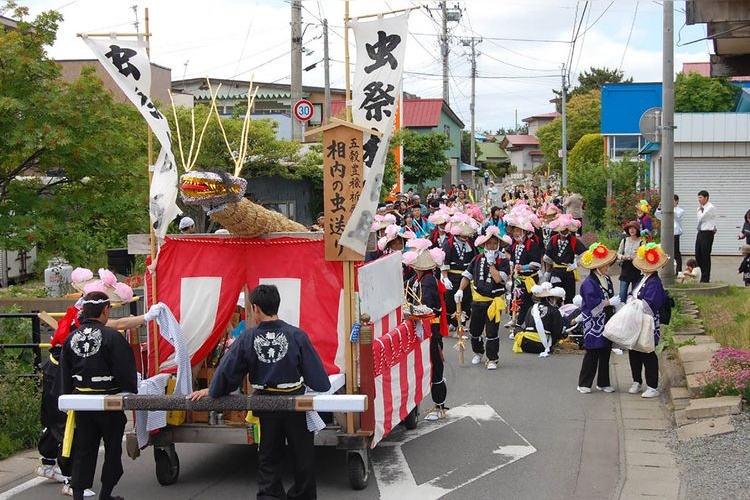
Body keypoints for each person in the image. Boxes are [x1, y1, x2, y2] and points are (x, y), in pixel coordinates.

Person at [189, 284, 330, 499]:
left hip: (265, 404)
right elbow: (320, 381)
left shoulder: (248, 338)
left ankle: (270, 496)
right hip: (295, 403)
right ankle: (303, 495)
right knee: (303, 456)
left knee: (268, 458)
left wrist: (214, 390)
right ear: (276, 305)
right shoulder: (296, 335)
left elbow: (229, 370)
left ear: (255, 308)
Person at [60, 291, 139, 500]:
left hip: (82, 405)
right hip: (108, 404)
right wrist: (130, 390)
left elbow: (65, 374)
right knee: (112, 450)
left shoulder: (71, 338)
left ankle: (78, 495)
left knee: (83, 450)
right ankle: (105, 495)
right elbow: (125, 371)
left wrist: (67, 397)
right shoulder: (112, 337)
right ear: (105, 310)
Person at [402, 239, 449, 420]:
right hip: (420, 326)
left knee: (435, 365)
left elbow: (430, 307)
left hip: (431, 329)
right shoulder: (415, 279)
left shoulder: (429, 281)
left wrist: (415, 312)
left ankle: (439, 406)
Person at [453, 227, 512, 370]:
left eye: (494, 243)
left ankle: (492, 359)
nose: (491, 246)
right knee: (475, 329)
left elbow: (498, 279)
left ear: (498, 245)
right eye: (489, 243)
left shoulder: (503, 261)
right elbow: (467, 275)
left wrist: (492, 264)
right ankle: (478, 352)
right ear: (484, 245)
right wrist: (460, 290)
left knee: (492, 331)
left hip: (494, 301)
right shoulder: (477, 258)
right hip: (478, 299)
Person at [576, 243, 620, 394]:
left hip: (606, 318)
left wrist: (614, 303)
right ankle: (584, 383)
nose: (608, 266)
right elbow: (591, 303)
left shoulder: (607, 279)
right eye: (605, 264)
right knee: (593, 352)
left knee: (606, 351)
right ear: (597, 266)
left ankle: (603, 382)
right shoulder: (588, 283)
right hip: (593, 322)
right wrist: (608, 302)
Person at [629, 244, 669, 398]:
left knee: (648, 352)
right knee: (634, 350)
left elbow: (649, 304)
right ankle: (636, 380)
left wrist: (634, 301)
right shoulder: (644, 279)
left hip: (648, 321)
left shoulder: (655, 282)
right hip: (637, 319)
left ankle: (652, 385)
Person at [440, 214, 479, 329]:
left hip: (466, 277)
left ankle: (462, 323)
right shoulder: (448, 244)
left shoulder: (470, 243)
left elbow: (475, 258)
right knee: (451, 301)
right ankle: (452, 322)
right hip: (452, 276)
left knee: (466, 300)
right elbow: (444, 262)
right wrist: (445, 278)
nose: (465, 237)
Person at [544, 213, 585, 304]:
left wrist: (576, 264)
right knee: (555, 297)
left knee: (569, 297)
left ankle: (568, 316)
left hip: (568, 272)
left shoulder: (574, 241)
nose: (564, 231)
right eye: (562, 229)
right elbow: (548, 257)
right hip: (556, 271)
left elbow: (585, 254)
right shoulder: (553, 239)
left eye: (566, 229)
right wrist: (547, 271)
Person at [518, 283, 566, 357]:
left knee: (517, 329)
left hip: (525, 343)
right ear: (549, 298)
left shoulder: (531, 308)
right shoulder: (554, 310)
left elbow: (527, 323)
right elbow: (557, 330)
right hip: (541, 346)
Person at [655, 194, 685, 271]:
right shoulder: (665, 210)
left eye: (672, 201)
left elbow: (676, 217)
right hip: (666, 233)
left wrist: (669, 207)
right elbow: (657, 215)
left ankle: (679, 271)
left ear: (677, 201)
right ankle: (666, 270)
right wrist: (659, 207)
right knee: (665, 251)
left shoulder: (680, 211)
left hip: (675, 233)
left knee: (676, 253)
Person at [617, 221, 643, 303]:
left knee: (635, 294)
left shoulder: (641, 242)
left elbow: (643, 256)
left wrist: (636, 257)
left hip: (636, 268)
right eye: (630, 228)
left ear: (637, 230)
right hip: (625, 268)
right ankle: (621, 309)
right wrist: (622, 257)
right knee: (622, 293)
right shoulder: (624, 240)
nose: (631, 230)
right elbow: (618, 253)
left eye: (634, 228)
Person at [695, 190, 717, 283]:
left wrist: (700, 210)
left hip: (707, 233)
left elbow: (702, 218)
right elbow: (699, 218)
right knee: (698, 254)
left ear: (706, 198)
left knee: (705, 255)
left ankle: (706, 277)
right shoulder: (701, 208)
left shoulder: (710, 207)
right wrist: (700, 209)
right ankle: (702, 273)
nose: (699, 200)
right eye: (698, 197)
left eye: (701, 197)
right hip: (700, 232)